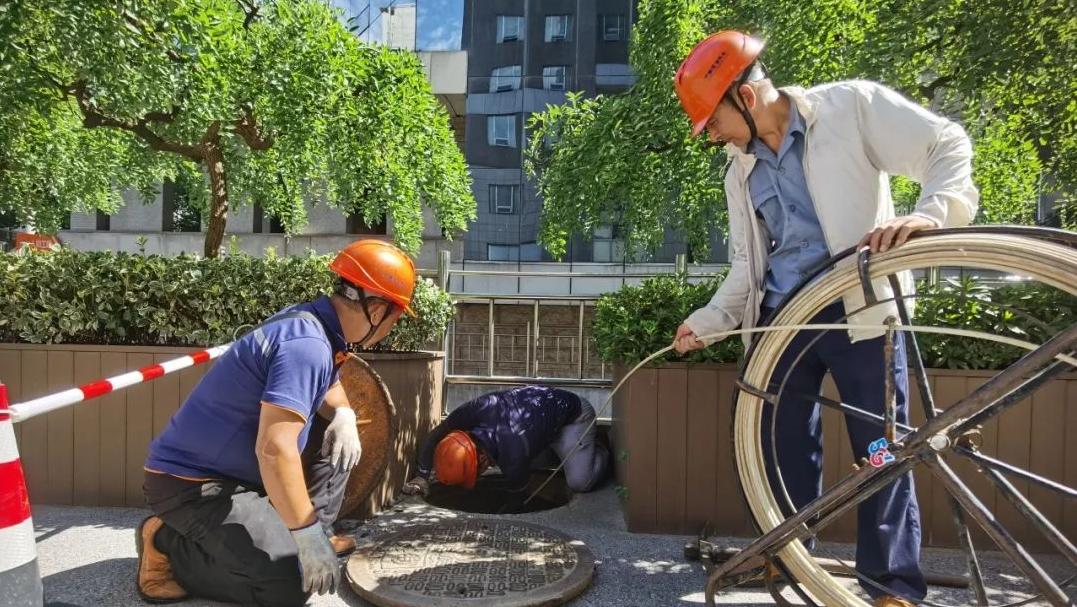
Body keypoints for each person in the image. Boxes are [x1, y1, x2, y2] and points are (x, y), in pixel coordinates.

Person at [670, 31, 978, 607]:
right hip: (784, 323)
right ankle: (790, 565)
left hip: (863, 312)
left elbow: (947, 142)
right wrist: (706, 322)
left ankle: (891, 589)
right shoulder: (739, 173)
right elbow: (746, 267)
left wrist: (931, 215)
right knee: (783, 451)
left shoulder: (850, 108)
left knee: (883, 451)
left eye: (711, 120)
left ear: (744, 95)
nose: (709, 135)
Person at [136, 239, 417, 606]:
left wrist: (344, 414)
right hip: (193, 486)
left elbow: (327, 381)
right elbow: (274, 449)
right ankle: (166, 544)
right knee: (291, 582)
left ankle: (310, 529)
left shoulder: (316, 326)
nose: (391, 329)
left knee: (338, 437)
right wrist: (304, 535)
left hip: (240, 475)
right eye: (395, 319)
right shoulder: (307, 345)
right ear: (377, 309)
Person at [401, 386, 609, 497]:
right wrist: (422, 476)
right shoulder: (472, 411)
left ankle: (599, 449)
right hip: (541, 418)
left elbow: (520, 494)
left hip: (574, 417)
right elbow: (436, 433)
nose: (481, 473)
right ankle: (565, 454)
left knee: (579, 482)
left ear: (482, 460)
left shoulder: (514, 454)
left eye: (477, 472)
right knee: (540, 465)